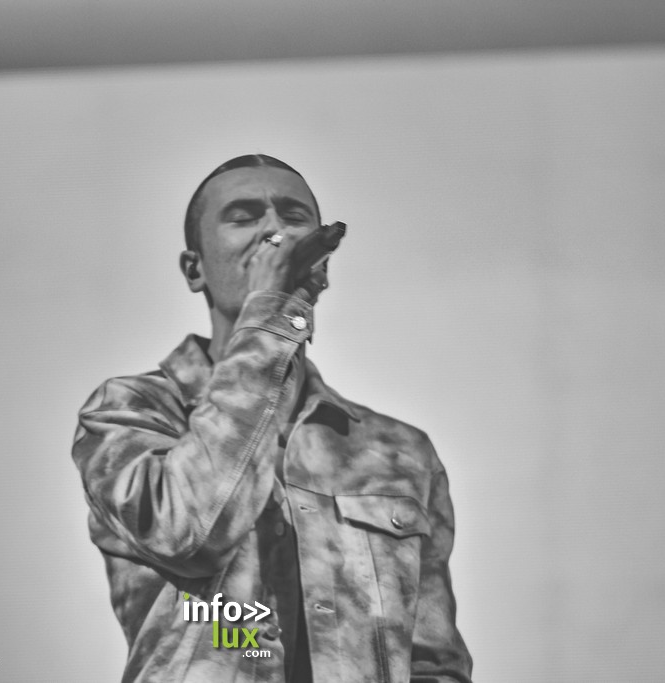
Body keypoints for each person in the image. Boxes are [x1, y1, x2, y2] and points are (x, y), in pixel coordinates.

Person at [72, 154, 472, 682]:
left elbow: (433, 660)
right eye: (243, 217)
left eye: (293, 216)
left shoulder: (399, 452)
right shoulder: (129, 411)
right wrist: (269, 315)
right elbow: (190, 534)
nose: (275, 232)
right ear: (195, 269)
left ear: (322, 259)